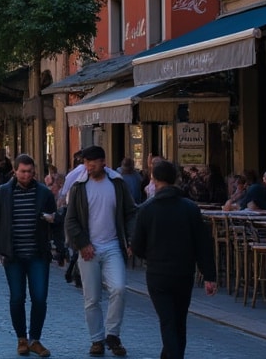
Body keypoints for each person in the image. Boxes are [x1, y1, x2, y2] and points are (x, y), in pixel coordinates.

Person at [130, 159, 218, 359]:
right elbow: (203, 244)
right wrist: (209, 275)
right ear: (176, 179)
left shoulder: (147, 209)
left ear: (154, 180)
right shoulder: (190, 208)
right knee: (179, 320)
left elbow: (136, 246)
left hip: (157, 274)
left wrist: (150, 256)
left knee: (168, 321)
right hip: (183, 272)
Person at [65, 145, 137, 357]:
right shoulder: (78, 187)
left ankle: (112, 334)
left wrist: (131, 239)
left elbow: (130, 213)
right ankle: (97, 339)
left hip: (113, 245)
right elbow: (71, 221)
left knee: (119, 288)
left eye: (92, 162)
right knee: (92, 298)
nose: (88, 166)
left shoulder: (116, 183)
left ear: (103, 162)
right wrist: (82, 244)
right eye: (86, 162)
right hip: (88, 250)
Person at [0, 154, 57, 358]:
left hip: (38, 255)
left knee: (40, 298)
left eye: (29, 171)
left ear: (34, 171)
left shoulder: (44, 193)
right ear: (15, 171)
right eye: (22, 171)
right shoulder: (3, 192)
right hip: (13, 255)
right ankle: (21, 339)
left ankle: (35, 339)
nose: (26, 175)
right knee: (17, 298)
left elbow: (56, 221)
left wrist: (58, 244)